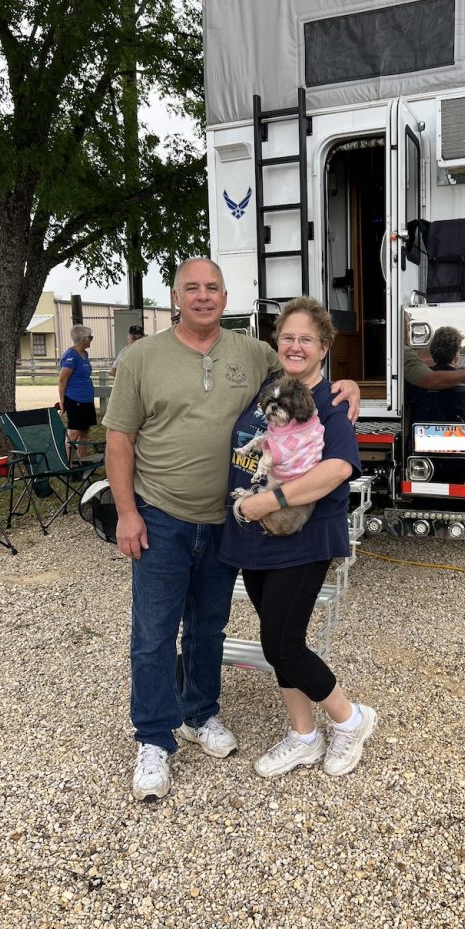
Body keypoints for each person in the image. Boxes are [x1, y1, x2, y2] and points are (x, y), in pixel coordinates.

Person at [102, 258, 360, 802]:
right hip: (162, 516)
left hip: (228, 523)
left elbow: (307, 372)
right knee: (152, 635)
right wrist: (126, 511)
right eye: (191, 288)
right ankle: (153, 738)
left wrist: (350, 384)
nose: (202, 296)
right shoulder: (142, 357)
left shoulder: (251, 353)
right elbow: (120, 440)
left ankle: (201, 713)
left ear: (225, 295)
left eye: (212, 287)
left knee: (209, 628)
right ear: (174, 295)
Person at [220, 297, 375, 779]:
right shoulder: (268, 389)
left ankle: (350, 720)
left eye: (307, 338)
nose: (295, 345)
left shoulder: (330, 402)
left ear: (324, 347)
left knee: (282, 645)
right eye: (288, 336)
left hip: (303, 538)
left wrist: (267, 502)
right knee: (279, 640)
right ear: (275, 342)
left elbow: (337, 469)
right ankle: (304, 736)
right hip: (256, 540)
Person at [408, 326, 465, 483]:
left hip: (423, 461)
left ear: (432, 352)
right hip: (458, 463)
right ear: (457, 353)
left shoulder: (418, 380)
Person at [58, 325, 97, 460]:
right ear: (82, 339)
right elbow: (62, 380)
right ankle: (67, 465)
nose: (91, 340)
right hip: (75, 399)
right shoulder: (71, 356)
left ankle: (81, 462)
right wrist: (63, 402)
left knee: (85, 431)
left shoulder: (85, 354)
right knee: (74, 432)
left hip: (87, 399)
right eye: (90, 337)